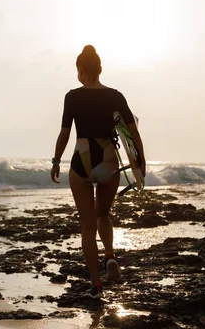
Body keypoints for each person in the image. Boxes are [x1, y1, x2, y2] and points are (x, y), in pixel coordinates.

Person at [50, 45, 146, 299]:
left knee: (87, 224)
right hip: (108, 160)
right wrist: (140, 161)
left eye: (78, 70)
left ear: (82, 69)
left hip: (81, 162)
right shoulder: (116, 96)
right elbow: (132, 132)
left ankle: (96, 285)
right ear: (100, 69)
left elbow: (65, 133)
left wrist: (56, 161)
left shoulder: (72, 97)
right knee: (103, 213)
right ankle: (111, 256)